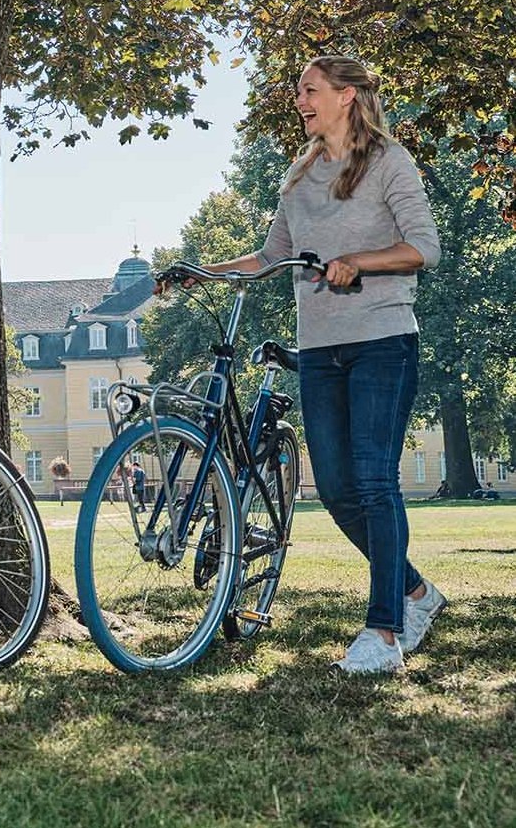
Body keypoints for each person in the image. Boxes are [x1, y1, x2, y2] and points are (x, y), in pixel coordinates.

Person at [171, 54, 443, 674]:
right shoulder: (299, 175)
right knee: (340, 490)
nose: (300, 100)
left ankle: (384, 633)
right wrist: (200, 270)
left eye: (310, 90)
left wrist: (360, 260)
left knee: (374, 481)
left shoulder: (387, 162)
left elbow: (422, 248)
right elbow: (272, 257)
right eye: (299, 91)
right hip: (320, 348)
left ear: (347, 95)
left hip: (382, 340)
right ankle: (417, 593)